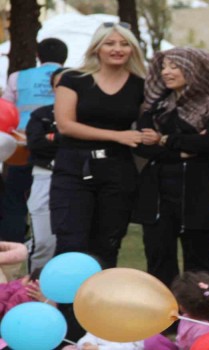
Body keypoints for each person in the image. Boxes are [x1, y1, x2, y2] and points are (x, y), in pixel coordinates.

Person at [133, 47, 209, 287]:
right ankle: (164, 320)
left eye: (174, 66)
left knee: (198, 261)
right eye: (164, 66)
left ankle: (199, 319)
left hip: (198, 192)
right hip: (158, 194)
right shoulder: (155, 106)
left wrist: (164, 139)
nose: (166, 72)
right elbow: (142, 145)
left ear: (194, 70)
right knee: (158, 258)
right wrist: (186, 148)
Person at [51, 22, 145, 268]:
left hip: (118, 170)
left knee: (108, 244)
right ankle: (65, 305)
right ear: (97, 48)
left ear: (133, 49)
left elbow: (149, 122)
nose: (118, 49)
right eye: (110, 43)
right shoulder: (72, 79)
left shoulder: (141, 84)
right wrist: (117, 135)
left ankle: (101, 302)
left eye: (124, 44)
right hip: (74, 167)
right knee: (71, 243)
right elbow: (65, 125)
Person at [0, 38, 67, 245]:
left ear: (38, 56)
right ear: (65, 58)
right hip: (58, 148)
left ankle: (14, 243)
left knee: (15, 198)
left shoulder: (17, 77)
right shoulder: (73, 78)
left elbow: (6, 109)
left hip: (21, 147)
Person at [24, 67, 65, 272]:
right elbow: (36, 143)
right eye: (60, 84)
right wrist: (62, 138)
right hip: (44, 176)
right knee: (44, 242)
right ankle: (34, 288)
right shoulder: (42, 115)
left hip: (77, 178)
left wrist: (54, 138)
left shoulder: (87, 116)